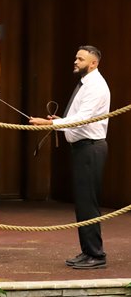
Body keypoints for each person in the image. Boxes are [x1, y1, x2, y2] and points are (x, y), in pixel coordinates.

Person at [29, 45, 110, 269]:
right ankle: (87, 252)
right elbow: (79, 116)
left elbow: (83, 118)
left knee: (88, 204)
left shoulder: (95, 86)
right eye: (76, 57)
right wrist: (59, 120)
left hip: (90, 149)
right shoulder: (86, 83)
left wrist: (49, 123)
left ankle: (97, 254)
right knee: (82, 204)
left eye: (81, 59)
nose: (75, 61)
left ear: (94, 63)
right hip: (83, 148)